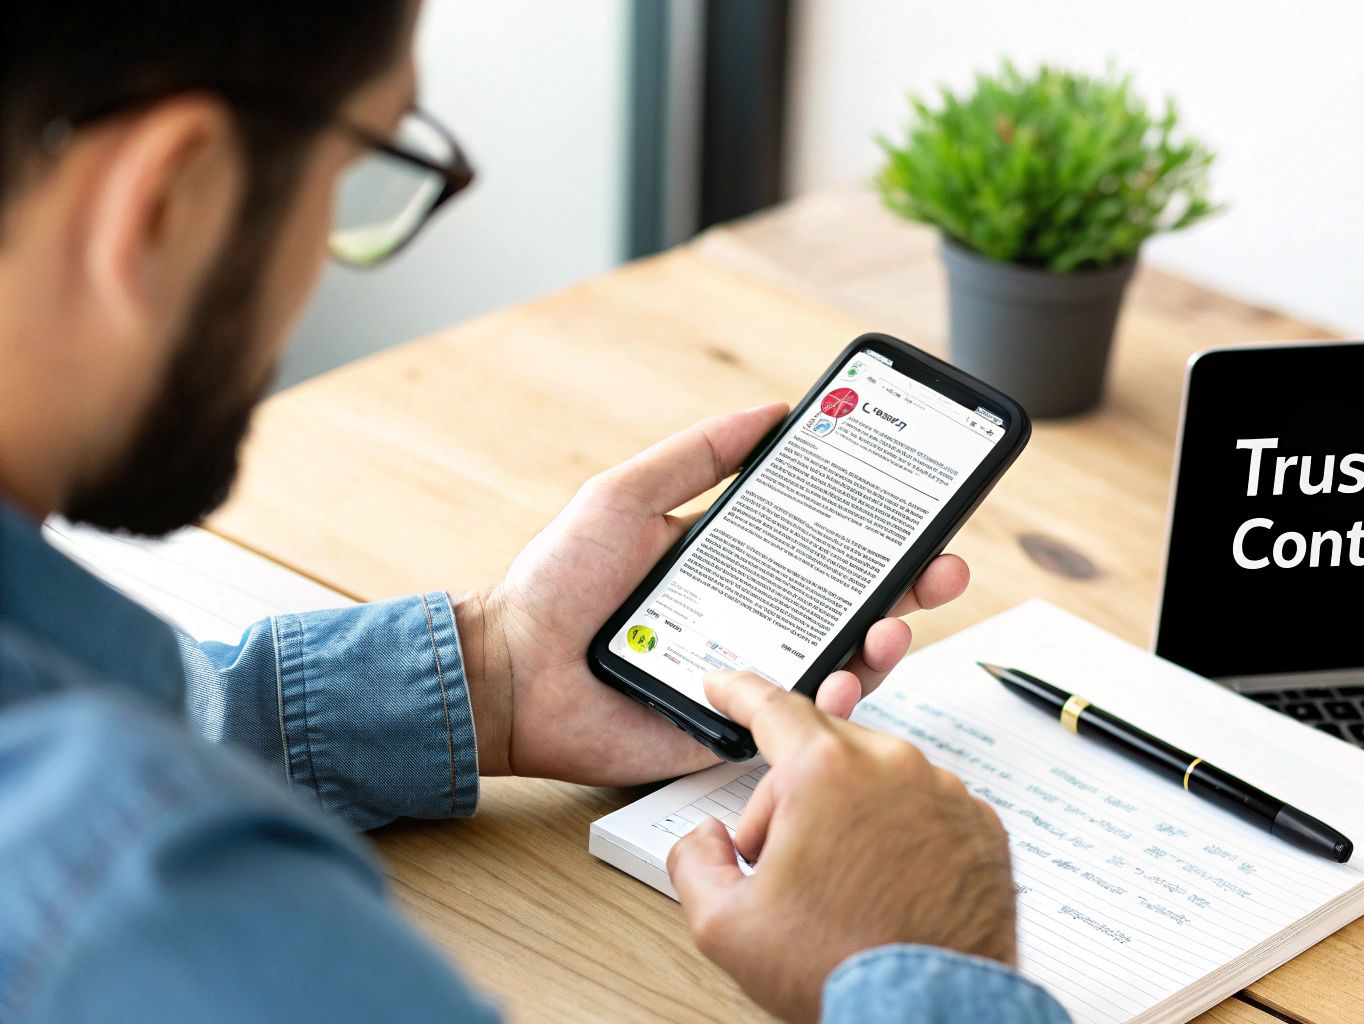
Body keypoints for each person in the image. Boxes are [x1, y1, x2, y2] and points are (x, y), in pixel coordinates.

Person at [0, 4, 1071, 1022]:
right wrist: (935, 960)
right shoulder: (145, 918)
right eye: (358, 167)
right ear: (166, 199)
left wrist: (489, 674)